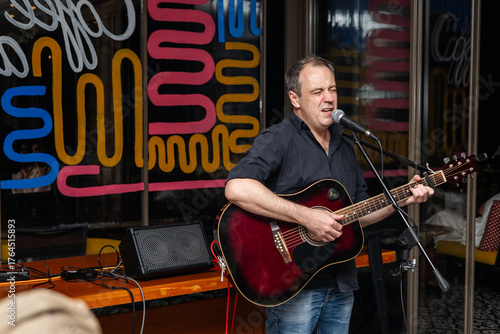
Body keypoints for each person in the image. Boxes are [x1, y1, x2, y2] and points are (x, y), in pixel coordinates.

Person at [224, 54, 434, 334]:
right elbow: (236, 187)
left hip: (341, 283)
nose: (329, 98)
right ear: (295, 99)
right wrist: (306, 217)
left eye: (332, 89)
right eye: (317, 91)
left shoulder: (345, 143)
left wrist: (402, 198)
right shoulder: (279, 139)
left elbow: (358, 213)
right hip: (294, 286)